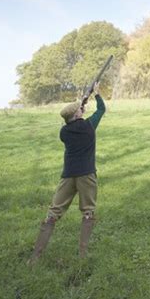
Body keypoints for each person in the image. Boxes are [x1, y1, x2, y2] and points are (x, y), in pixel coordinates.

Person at [29, 83, 106, 263]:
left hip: (68, 176)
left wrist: (80, 107)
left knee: (53, 213)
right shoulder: (88, 126)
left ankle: (35, 257)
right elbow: (101, 109)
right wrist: (98, 93)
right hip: (86, 175)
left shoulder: (63, 132)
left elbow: (74, 121)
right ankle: (82, 255)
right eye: (80, 110)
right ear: (78, 114)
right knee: (88, 212)